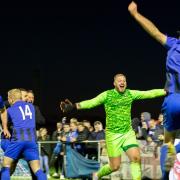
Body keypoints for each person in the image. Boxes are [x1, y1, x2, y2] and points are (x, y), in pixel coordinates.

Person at [60, 73, 166, 180]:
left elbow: (148, 93)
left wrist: (165, 91)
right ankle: (98, 174)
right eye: (119, 80)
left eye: (124, 80)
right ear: (114, 83)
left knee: (135, 158)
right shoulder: (107, 95)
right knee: (115, 166)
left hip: (127, 133)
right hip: (112, 136)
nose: (122, 82)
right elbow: (91, 102)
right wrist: (74, 106)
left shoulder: (130, 94)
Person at [128, 1, 180, 179]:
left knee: (167, 141)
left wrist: (136, 14)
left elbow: (155, 32)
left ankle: (166, 174)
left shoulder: (175, 44)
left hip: (173, 99)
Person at [0, 89, 47, 180]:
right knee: (37, 170)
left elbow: (4, 114)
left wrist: (5, 127)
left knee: (6, 166)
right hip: (31, 141)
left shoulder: (10, 109)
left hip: (17, 140)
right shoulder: (32, 107)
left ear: (11, 99)